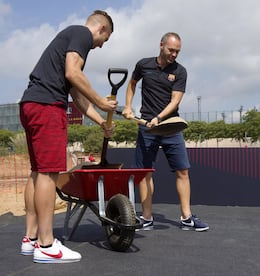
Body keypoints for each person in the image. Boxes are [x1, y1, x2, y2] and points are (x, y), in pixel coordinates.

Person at [19, 10, 117, 263]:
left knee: (38, 171)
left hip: (31, 103)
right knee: (49, 173)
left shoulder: (66, 41)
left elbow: (78, 97)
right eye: (104, 41)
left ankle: (31, 239)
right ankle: (47, 244)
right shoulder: (82, 34)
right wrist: (102, 101)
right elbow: (74, 73)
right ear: (101, 29)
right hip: (47, 107)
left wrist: (100, 122)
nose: (100, 46)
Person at [122, 32, 209, 232]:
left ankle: (187, 218)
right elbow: (132, 84)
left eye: (177, 51)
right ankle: (146, 218)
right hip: (146, 127)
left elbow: (175, 101)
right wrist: (128, 106)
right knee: (144, 174)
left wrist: (159, 119)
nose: (174, 55)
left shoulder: (180, 71)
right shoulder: (143, 65)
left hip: (170, 126)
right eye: (171, 50)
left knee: (183, 171)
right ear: (161, 45)